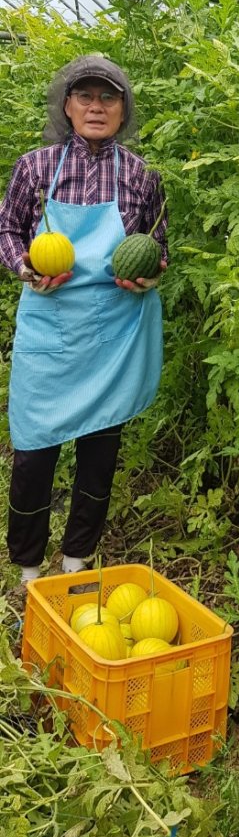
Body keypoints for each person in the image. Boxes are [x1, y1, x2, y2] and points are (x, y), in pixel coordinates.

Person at [0, 55, 167, 586]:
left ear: (123, 110)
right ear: (67, 106)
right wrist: (25, 266)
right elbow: (6, 232)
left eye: (108, 97)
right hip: (49, 327)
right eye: (86, 97)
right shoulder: (36, 167)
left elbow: (157, 248)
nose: (97, 107)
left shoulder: (142, 176)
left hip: (114, 333)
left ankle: (78, 561)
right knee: (32, 453)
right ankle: (28, 569)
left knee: (101, 449)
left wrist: (150, 275)